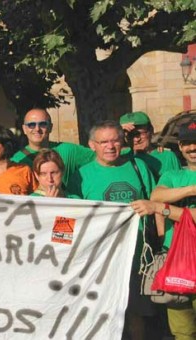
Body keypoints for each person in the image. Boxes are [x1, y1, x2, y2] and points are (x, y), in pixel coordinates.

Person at [68, 120, 156, 340]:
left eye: (115, 140)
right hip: (99, 260)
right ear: (92, 145)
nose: (110, 146)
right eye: (103, 141)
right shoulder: (81, 175)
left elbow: (155, 201)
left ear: (122, 142)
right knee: (99, 313)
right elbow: (70, 213)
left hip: (136, 257)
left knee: (136, 313)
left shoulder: (139, 166)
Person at [131, 120, 196, 339]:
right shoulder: (173, 176)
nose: (192, 148)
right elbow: (156, 195)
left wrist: (161, 209)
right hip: (174, 258)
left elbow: (158, 204)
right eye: (187, 143)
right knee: (182, 332)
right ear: (180, 147)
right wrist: (191, 189)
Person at [11, 108, 94, 189]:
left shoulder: (68, 150)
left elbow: (102, 161)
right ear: (24, 129)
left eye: (42, 124)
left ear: (50, 127)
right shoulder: (18, 160)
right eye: (31, 125)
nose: (37, 129)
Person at [120, 111, 181, 180]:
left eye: (139, 133)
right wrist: (117, 132)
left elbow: (179, 184)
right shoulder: (121, 156)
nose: (136, 139)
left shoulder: (167, 157)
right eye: (130, 135)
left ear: (151, 130)